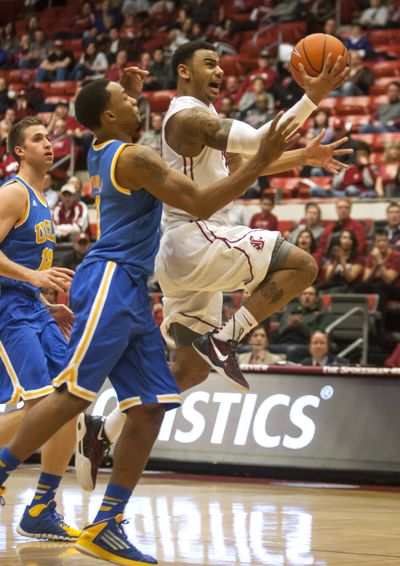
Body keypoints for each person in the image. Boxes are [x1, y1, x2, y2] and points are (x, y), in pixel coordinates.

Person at [0, 72, 299, 565]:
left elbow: (116, 115)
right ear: (109, 116)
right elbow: (202, 202)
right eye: (126, 100)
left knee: (151, 408)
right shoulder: (133, 156)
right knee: (72, 393)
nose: (139, 103)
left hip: (133, 287)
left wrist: (126, 91)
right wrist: (261, 160)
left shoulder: (109, 149)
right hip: (111, 278)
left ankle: (106, 524)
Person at [76, 40, 352, 492]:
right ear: (183, 71)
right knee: (302, 266)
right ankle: (226, 339)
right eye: (209, 64)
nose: (219, 71)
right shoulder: (189, 116)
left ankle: (103, 429)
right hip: (198, 239)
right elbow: (261, 141)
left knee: (191, 370)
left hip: (186, 253)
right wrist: (313, 96)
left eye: (222, 64)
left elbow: (252, 163)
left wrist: (303, 157)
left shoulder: (201, 124)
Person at [0, 116, 78, 540]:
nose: (49, 144)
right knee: (38, 406)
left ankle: (42, 508)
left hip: (31, 307)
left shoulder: (42, 197)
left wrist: (47, 305)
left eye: (49, 137)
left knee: (69, 399)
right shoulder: (13, 194)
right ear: (18, 152)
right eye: (37, 139)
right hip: (7, 310)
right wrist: (33, 282)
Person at [269, 286, 335, 362]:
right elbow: (277, 334)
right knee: (262, 348)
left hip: (305, 345)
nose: (307, 296)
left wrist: (300, 325)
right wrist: (289, 325)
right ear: (300, 297)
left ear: (316, 298)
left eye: (311, 294)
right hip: (283, 343)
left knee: (292, 350)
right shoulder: (290, 313)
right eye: (304, 294)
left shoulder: (323, 315)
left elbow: (319, 338)